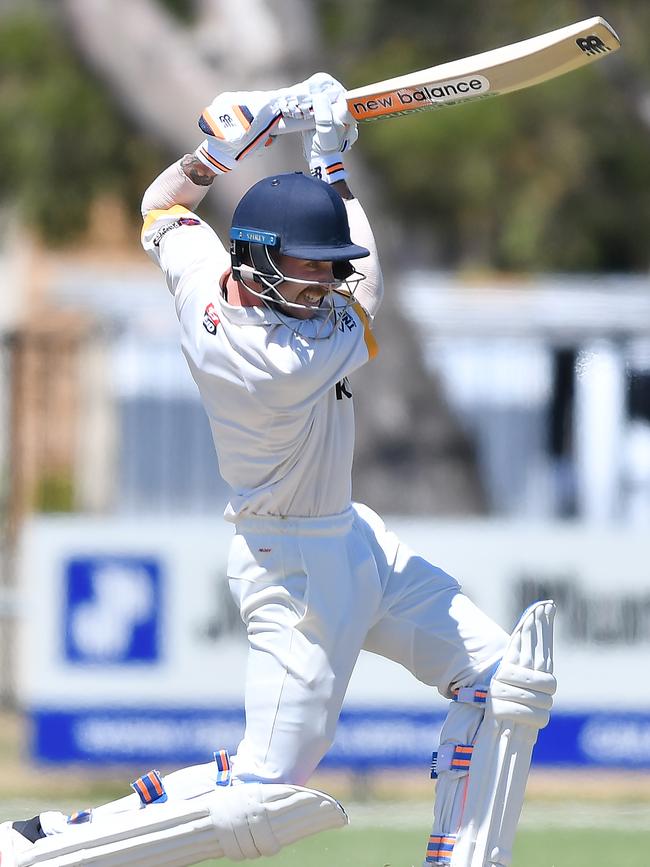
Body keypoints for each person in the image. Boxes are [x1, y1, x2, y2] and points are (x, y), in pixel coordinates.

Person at [1, 74, 556, 867]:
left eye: (331, 267)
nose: (327, 282)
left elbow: (161, 207)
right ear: (257, 261)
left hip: (352, 537)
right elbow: (372, 290)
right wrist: (331, 161)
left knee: (508, 685)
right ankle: (41, 858)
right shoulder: (277, 357)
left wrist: (220, 147)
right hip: (294, 568)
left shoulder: (204, 273)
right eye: (312, 269)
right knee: (265, 794)